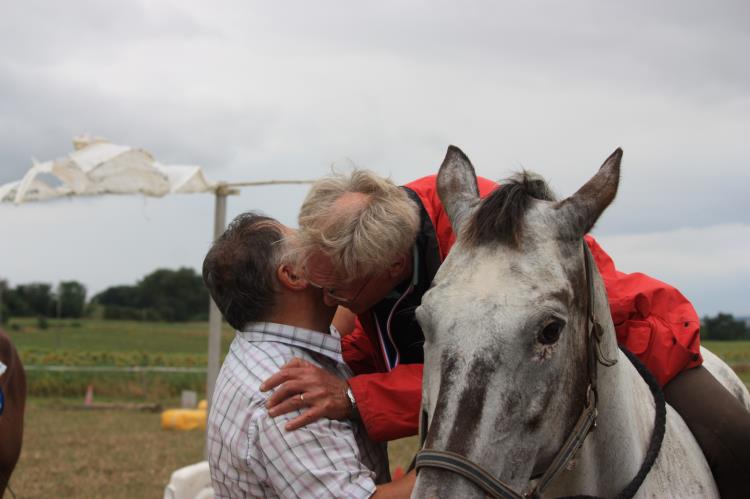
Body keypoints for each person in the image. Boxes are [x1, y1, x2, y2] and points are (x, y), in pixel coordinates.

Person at [261, 155, 750, 498]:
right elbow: (377, 338)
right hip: (501, 375)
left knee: (737, 443)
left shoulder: (487, 240)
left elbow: (490, 369)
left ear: (387, 268)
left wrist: (352, 397)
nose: (331, 305)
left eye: (338, 294)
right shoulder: (375, 234)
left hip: (612, 335)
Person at [203, 211, 415, 498]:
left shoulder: (262, 347)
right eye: (309, 242)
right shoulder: (290, 393)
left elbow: (348, 320)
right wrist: (460, 460)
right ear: (293, 274)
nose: (325, 245)